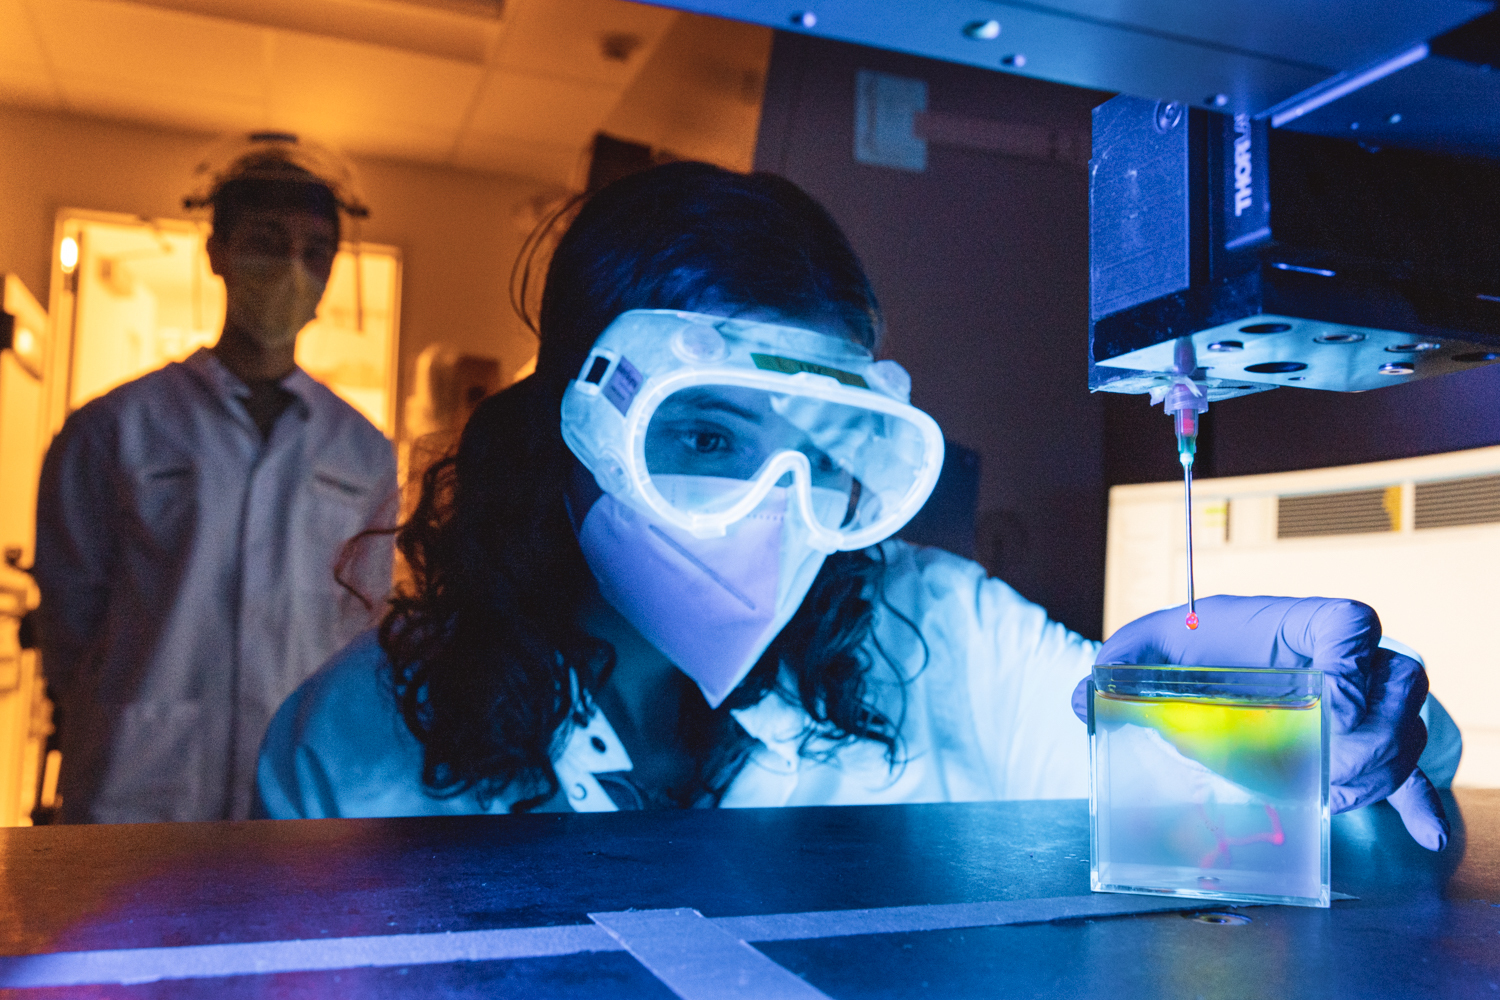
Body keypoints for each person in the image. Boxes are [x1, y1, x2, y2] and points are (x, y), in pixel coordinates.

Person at [256, 163, 1450, 851]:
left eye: (826, 454)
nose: (779, 509)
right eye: (712, 435)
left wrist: (1322, 739)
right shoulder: (350, 752)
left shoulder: (943, 637)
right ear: (581, 423)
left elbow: (1219, 822)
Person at [35, 136, 398, 823]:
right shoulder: (115, 428)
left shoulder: (362, 451)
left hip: (298, 783)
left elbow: (362, 625)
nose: (291, 268)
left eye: (314, 253)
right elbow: (70, 627)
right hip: (135, 785)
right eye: (265, 241)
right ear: (217, 251)